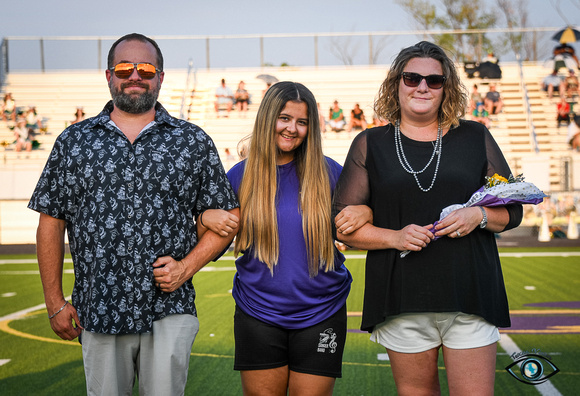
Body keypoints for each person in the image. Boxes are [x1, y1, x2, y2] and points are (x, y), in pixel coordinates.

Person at [27, 33, 240, 396]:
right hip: (99, 308)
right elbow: (51, 221)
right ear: (109, 75)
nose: (135, 76)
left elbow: (226, 219)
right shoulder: (74, 141)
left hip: (169, 307)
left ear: (160, 76)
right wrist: (54, 302)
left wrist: (185, 268)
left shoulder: (192, 140)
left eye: (146, 68)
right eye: (125, 68)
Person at [332, 41, 523, 395]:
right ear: (396, 84)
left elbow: (513, 210)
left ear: (446, 87)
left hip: (470, 293)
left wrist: (478, 215)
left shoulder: (475, 135)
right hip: (402, 296)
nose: (422, 86)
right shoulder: (369, 143)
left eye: (434, 81)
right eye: (412, 77)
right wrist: (395, 237)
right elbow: (342, 226)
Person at [199, 81, 371, 395]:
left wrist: (366, 213)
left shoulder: (330, 172)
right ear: (267, 119)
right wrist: (204, 217)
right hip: (257, 312)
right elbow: (203, 242)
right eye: (284, 118)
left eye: (302, 122)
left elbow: (364, 221)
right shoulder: (239, 176)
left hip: (323, 311)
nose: (292, 128)